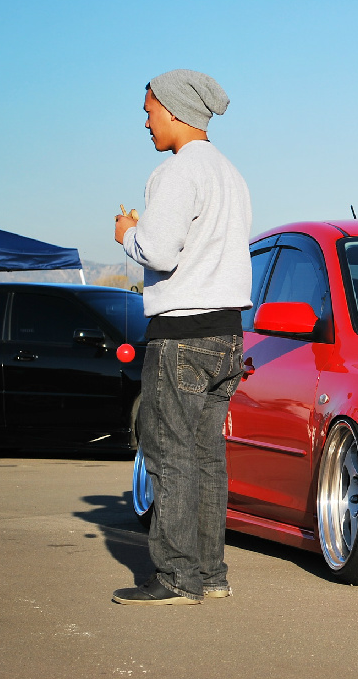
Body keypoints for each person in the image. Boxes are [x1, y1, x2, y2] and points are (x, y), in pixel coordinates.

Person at [111, 69, 252, 605]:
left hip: (181, 335)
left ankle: (174, 578)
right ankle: (210, 575)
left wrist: (128, 233)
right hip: (226, 335)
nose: (146, 123)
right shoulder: (231, 174)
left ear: (173, 110)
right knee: (207, 458)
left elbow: (159, 252)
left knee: (169, 455)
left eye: (149, 112)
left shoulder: (176, 172)